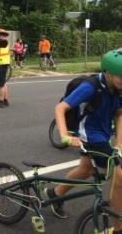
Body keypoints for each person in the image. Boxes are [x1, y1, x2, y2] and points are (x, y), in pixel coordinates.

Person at [46, 49, 122, 226]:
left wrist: (119, 140)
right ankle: (118, 226)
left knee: (85, 169)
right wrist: (65, 135)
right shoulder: (90, 87)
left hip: (103, 134)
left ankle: (55, 194)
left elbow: (119, 114)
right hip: (89, 135)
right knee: (119, 177)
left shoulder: (118, 89)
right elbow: (60, 108)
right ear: (107, 72)